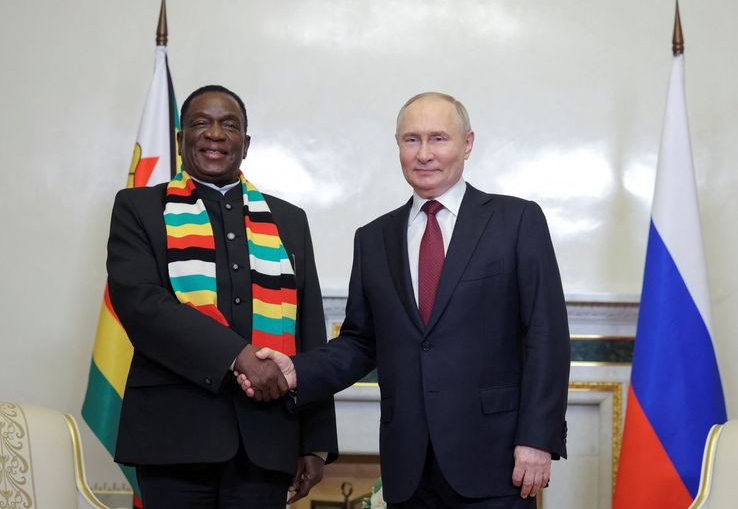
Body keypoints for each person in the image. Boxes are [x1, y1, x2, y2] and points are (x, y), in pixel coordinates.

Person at [239, 92, 570, 507]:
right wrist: (296, 371)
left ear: (467, 143)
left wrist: (537, 439)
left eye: (439, 139)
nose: (424, 154)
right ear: (398, 145)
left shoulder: (516, 221)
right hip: (408, 467)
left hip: (496, 460)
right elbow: (361, 341)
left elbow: (547, 336)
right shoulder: (374, 238)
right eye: (411, 140)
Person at [106, 85, 338, 509]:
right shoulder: (139, 208)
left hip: (267, 441)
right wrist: (239, 356)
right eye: (200, 123)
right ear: (180, 140)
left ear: (245, 145)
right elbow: (142, 307)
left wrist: (317, 440)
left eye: (229, 125)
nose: (215, 134)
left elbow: (309, 329)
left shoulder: (288, 219)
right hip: (173, 438)